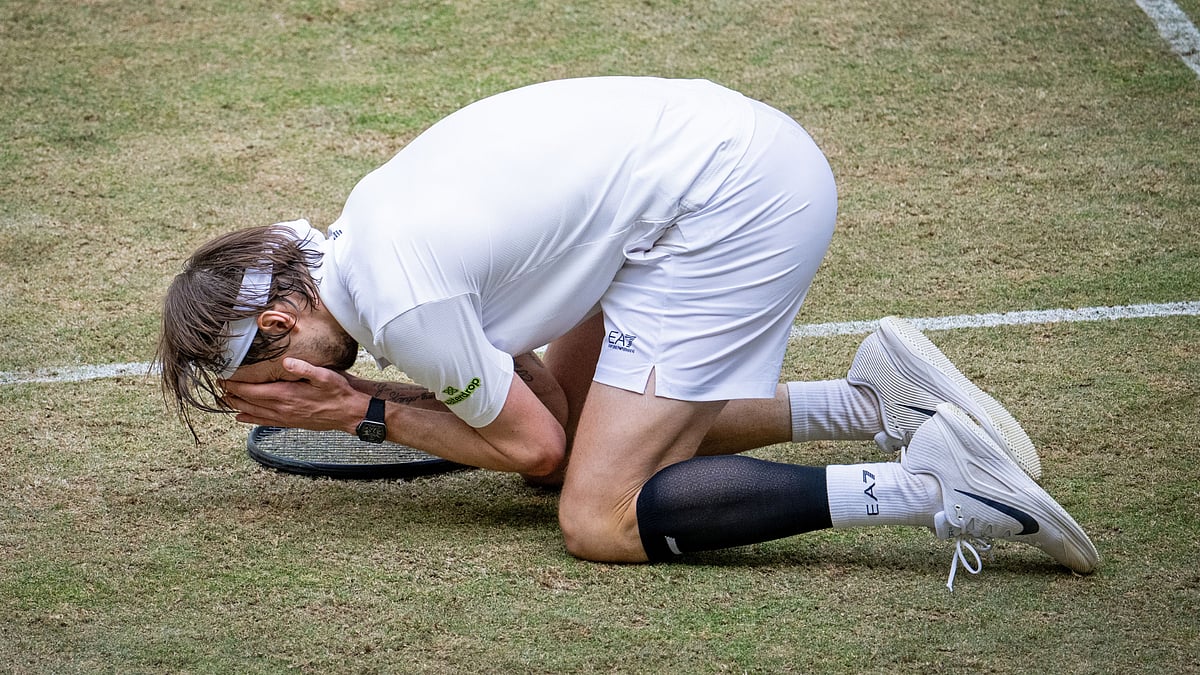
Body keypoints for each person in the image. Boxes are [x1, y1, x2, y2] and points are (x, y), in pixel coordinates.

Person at [157, 76, 1097, 590]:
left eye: (250, 368)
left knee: (596, 514)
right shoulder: (368, 239)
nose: (255, 391)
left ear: (281, 320)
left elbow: (532, 445)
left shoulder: (401, 303)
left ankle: (933, 484)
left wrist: (361, 411)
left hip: (730, 204)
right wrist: (377, 399)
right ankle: (872, 398)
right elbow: (550, 414)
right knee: (596, 447)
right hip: (711, 167)